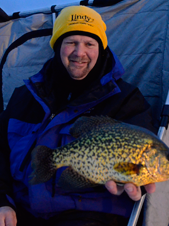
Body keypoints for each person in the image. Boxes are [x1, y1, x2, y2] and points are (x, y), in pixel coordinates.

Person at [0, 5, 156, 226]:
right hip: (20, 210)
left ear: (100, 49)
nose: (79, 52)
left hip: (91, 215)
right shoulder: (24, 96)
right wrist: (3, 200)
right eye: (71, 42)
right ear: (57, 47)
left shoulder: (127, 100)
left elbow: (139, 156)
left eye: (89, 44)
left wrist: (129, 175)